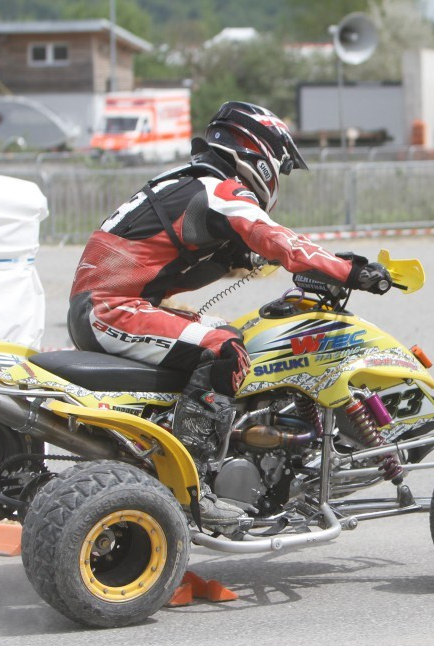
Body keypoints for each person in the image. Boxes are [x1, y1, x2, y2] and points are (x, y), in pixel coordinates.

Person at [67, 101, 391, 533]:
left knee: (221, 328)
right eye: (281, 165)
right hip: (112, 310)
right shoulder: (218, 189)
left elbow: (226, 249)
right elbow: (281, 241)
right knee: (225, 350)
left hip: (108, 306)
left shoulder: (184, 184)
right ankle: (197, 491)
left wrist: (250, 258)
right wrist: (351, 269)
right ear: (261, 152)